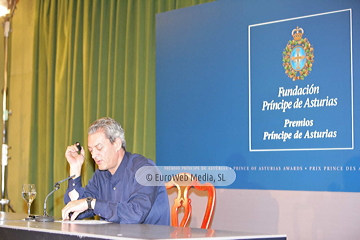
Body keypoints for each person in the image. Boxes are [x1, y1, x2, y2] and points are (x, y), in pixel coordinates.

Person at [61, 117, 170, 225]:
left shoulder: (145, 169)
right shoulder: (101, 174)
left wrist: (92, 203)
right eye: (91, 150)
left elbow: (135, 214)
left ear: (117, 143)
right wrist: (75, 167)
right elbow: (74, 211)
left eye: (99, 148)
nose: (94, 155)